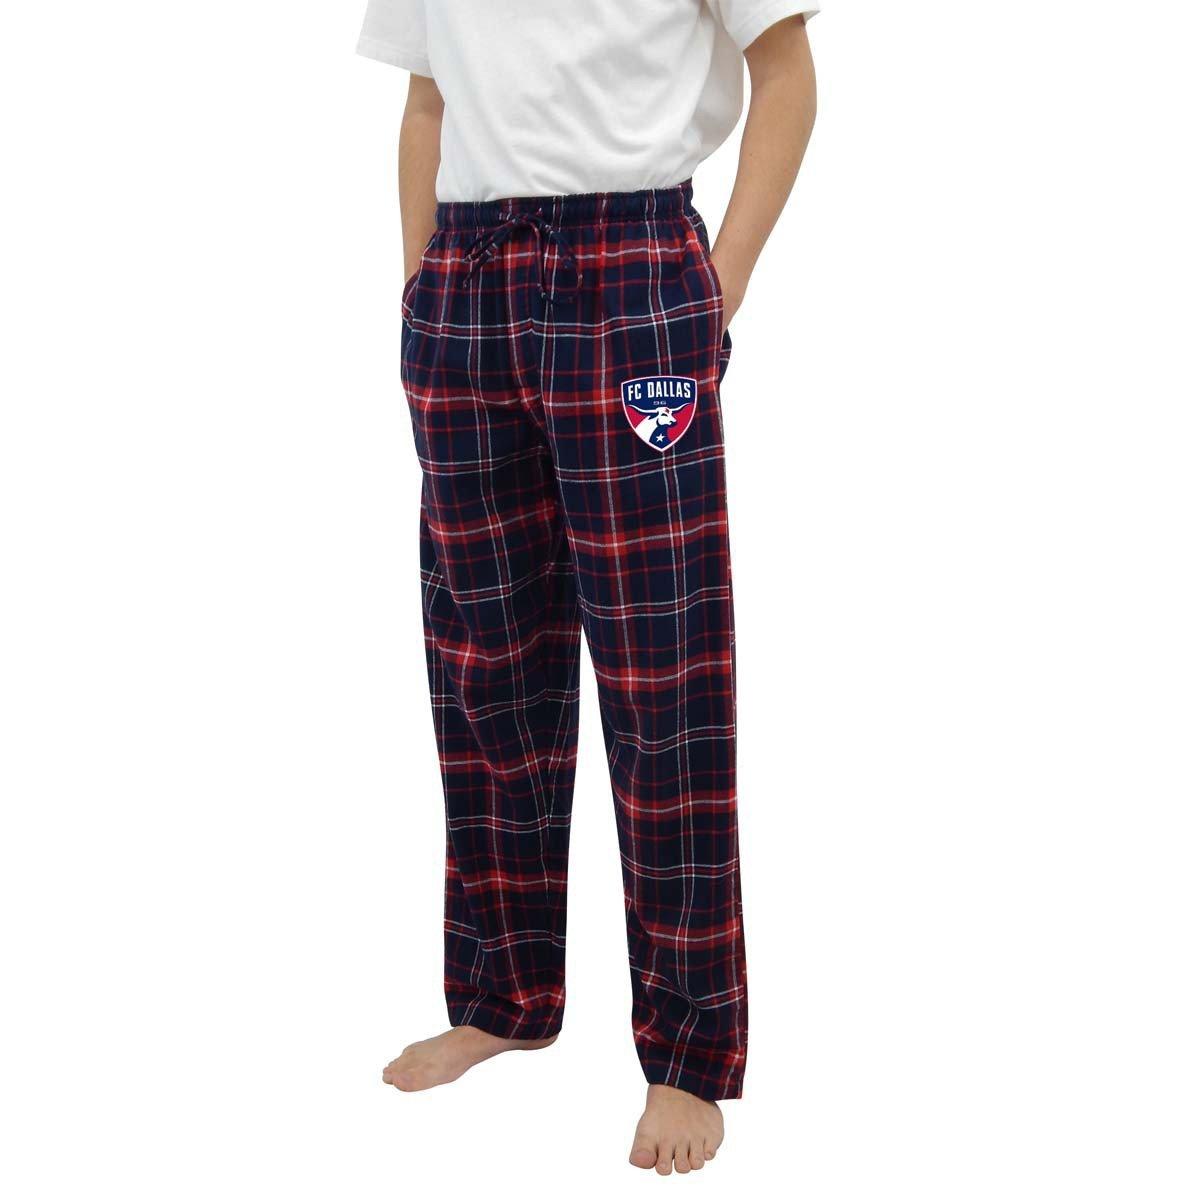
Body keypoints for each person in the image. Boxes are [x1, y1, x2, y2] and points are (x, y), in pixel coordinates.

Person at [357, 0, 818, 1175]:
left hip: (633, 270)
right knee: (485, 665)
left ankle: (689, 1053)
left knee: (664, 682)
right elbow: (427, 102)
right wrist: (420, 295)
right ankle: (502, 995)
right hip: (465, 282)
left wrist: (716, 290)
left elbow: (787, 74)